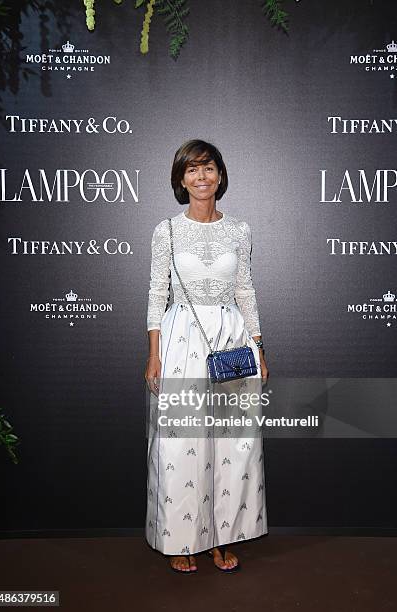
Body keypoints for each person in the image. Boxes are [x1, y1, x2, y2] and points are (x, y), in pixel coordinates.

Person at [144, 139, 268, 573]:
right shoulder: (168, 230)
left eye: (209, 168)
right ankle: (182, 540)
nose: (202, 176)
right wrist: (153, 355)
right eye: (193, 169)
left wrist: (258, 345)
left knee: (231, 443)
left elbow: (245, 289)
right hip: (182, 342)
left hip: (232, 342)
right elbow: (157, 293)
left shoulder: (240, 228)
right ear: (181, 179)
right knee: (184, 444)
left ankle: (219, 540)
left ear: (220, 176)